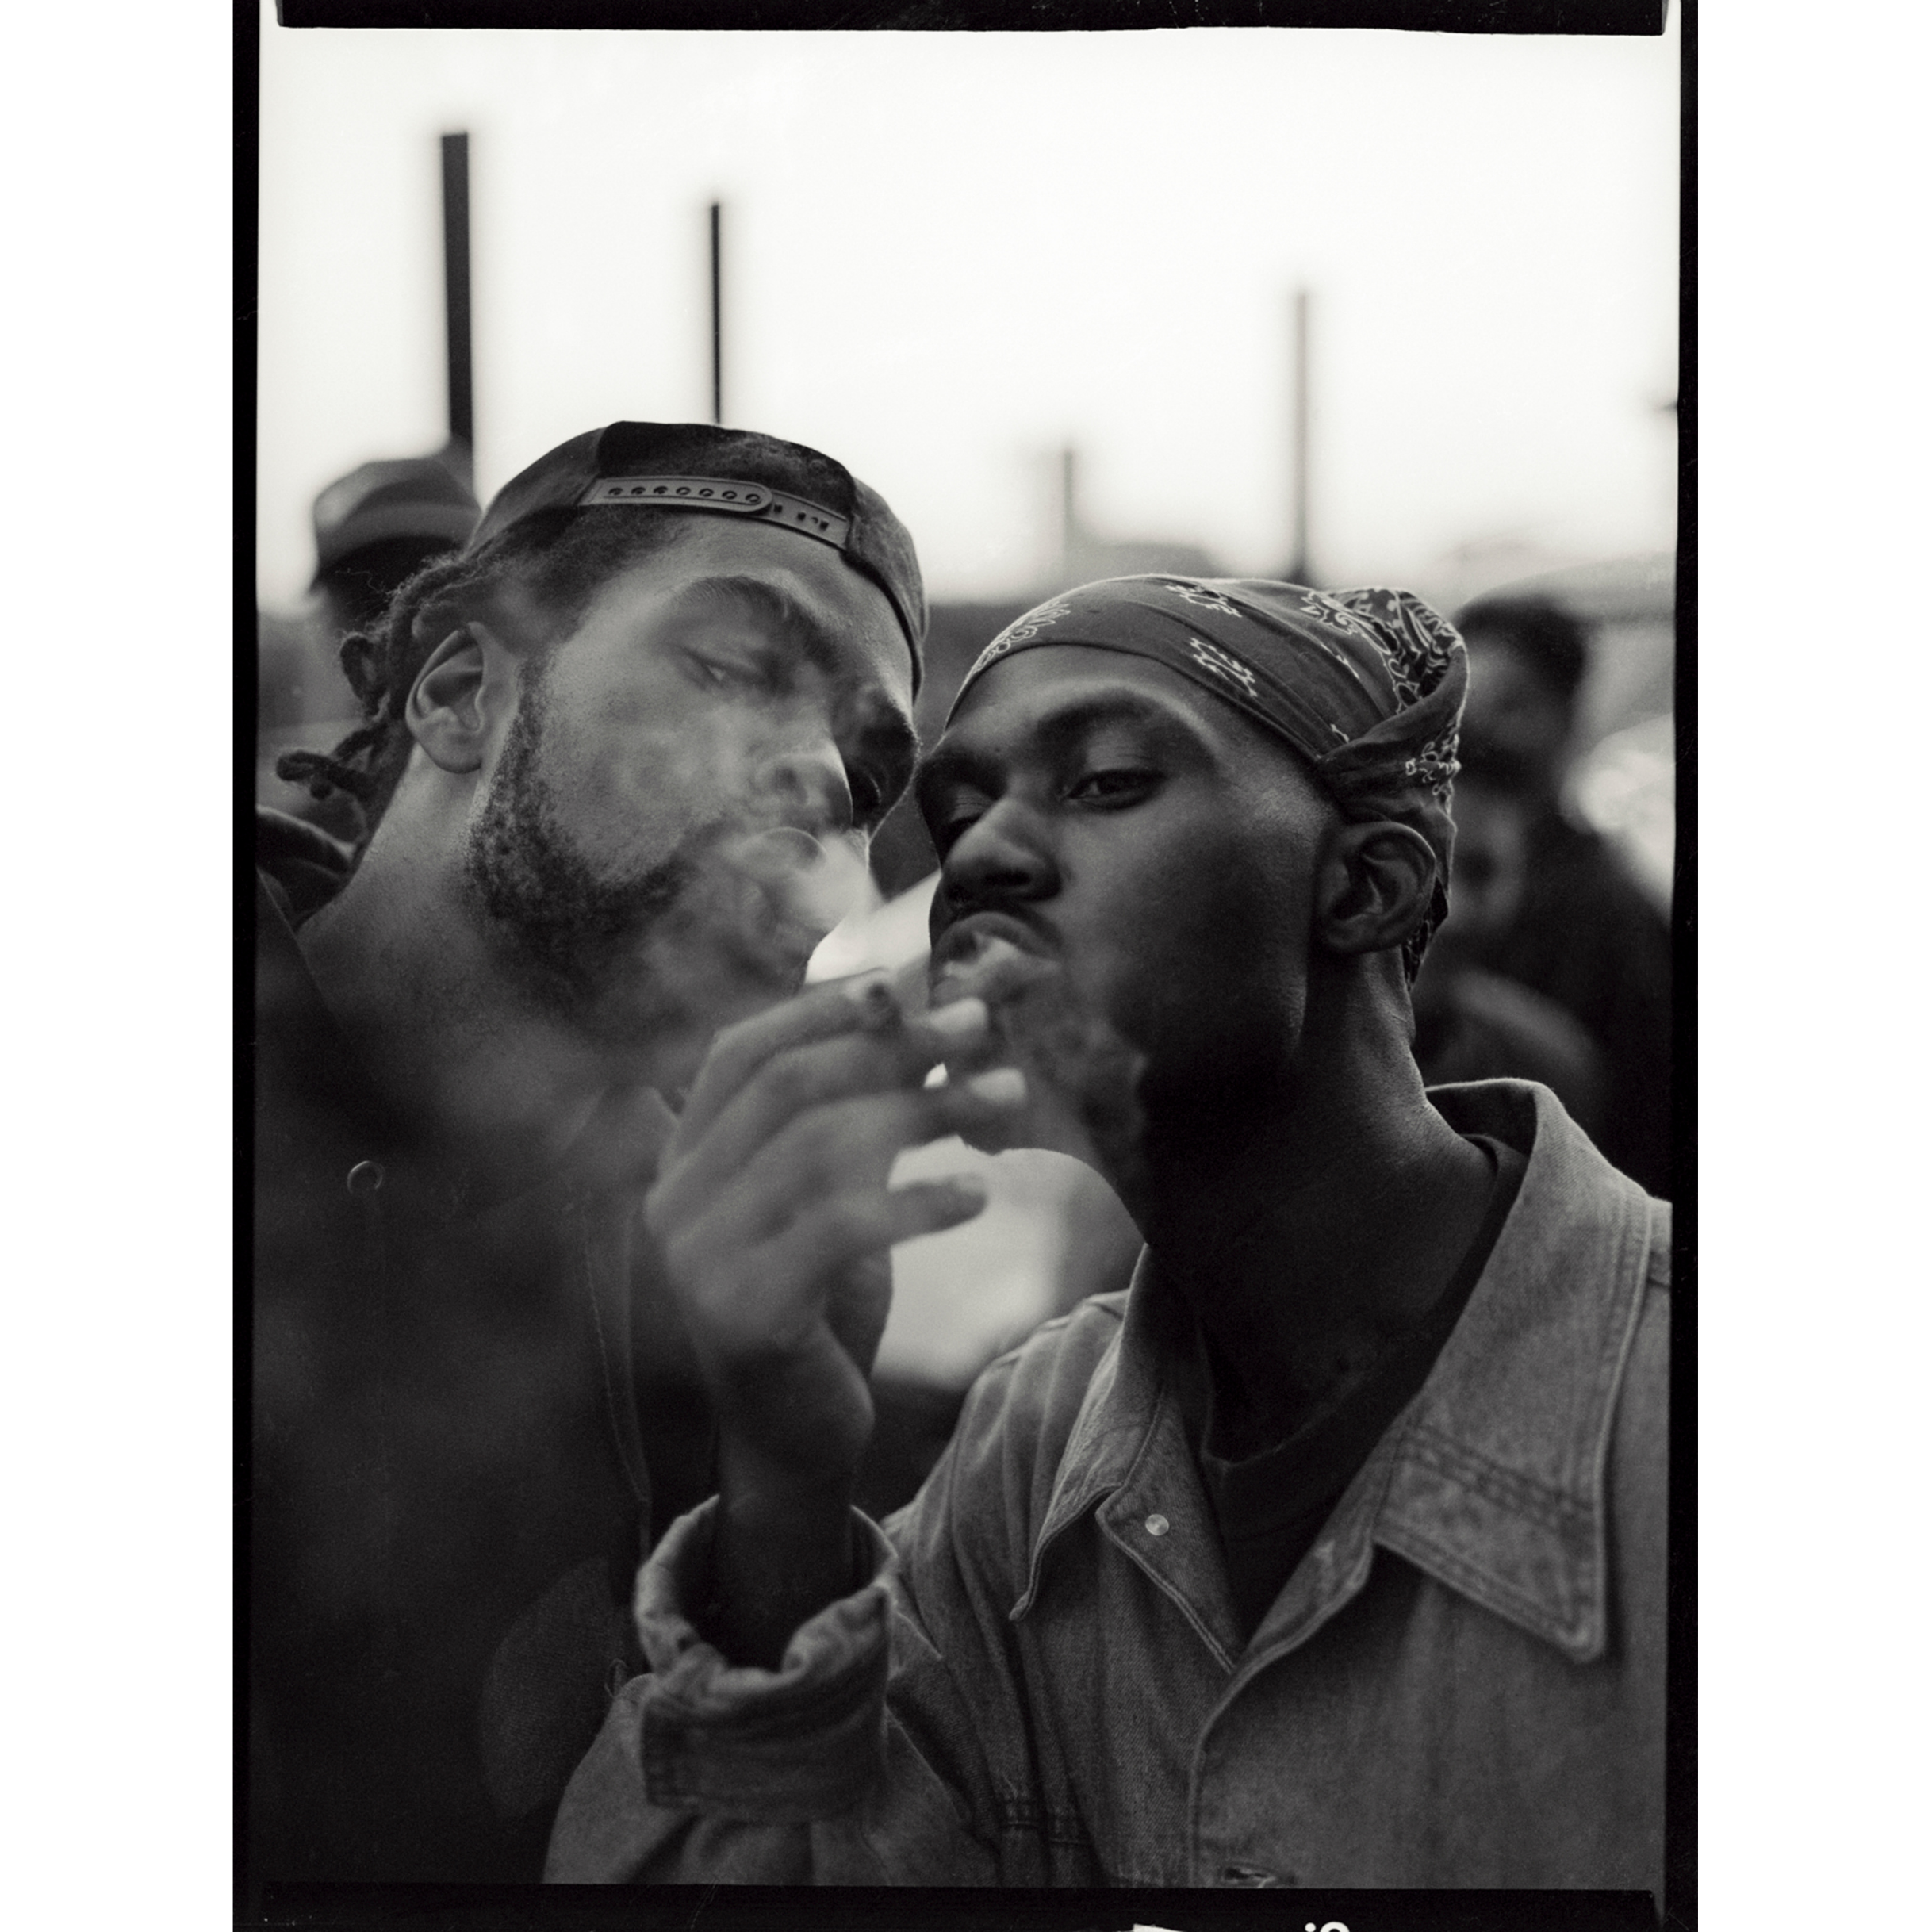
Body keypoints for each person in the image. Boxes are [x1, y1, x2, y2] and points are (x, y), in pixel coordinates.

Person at [546, 575, 1670, 1896]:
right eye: (957, 814)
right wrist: (785, 1478)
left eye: (1107, 782)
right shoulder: (1032, 1449)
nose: (976, 860)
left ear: (1367, 884)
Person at [250, 420, 960, 1880]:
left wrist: (784, 1496)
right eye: (730, 665)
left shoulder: (723, 1277)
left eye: (870, 770)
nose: (824, 778)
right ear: (461, 688)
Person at [1451, 593, 1673, 1196]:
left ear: (1570, 721)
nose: (1478, 730)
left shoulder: (1612, 919)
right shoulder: (1402, 872)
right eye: (1462, 703)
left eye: (1513, 705)